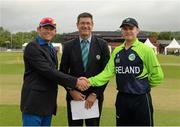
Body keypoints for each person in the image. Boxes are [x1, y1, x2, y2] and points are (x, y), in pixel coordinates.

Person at [82, 18, 164, 126]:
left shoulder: (146, 50)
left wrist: (143, 86)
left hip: (141, 99)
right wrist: (89, 81)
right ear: (121, 31)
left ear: (137, 30)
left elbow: (158, 76)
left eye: (131, 28)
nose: (128, 31)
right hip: (122, 99)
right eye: (125, 29)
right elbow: (107, 73)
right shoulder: (117, 51)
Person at [20, 17, 89, 126]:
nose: (48, 31)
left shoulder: (51, 48)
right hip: (33, 103)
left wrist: (72, 85)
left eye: (51, 29)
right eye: (45, 28)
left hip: (48, 104)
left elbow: (54, 74)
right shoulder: (33, 47)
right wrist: (75, 81)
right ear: (38, 29)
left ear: (55, 32)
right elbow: (48, 71)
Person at [60, 12, 110, 126]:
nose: (85, 26)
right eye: (82, 23)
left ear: (92, 25)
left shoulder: (102, 45)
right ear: (77, 25)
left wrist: (95, 94)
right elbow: (62, 72)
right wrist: (71, 91)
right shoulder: (68, 46)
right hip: (74, 97)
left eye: (88, 23)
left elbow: (106, 72)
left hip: (94, 98)